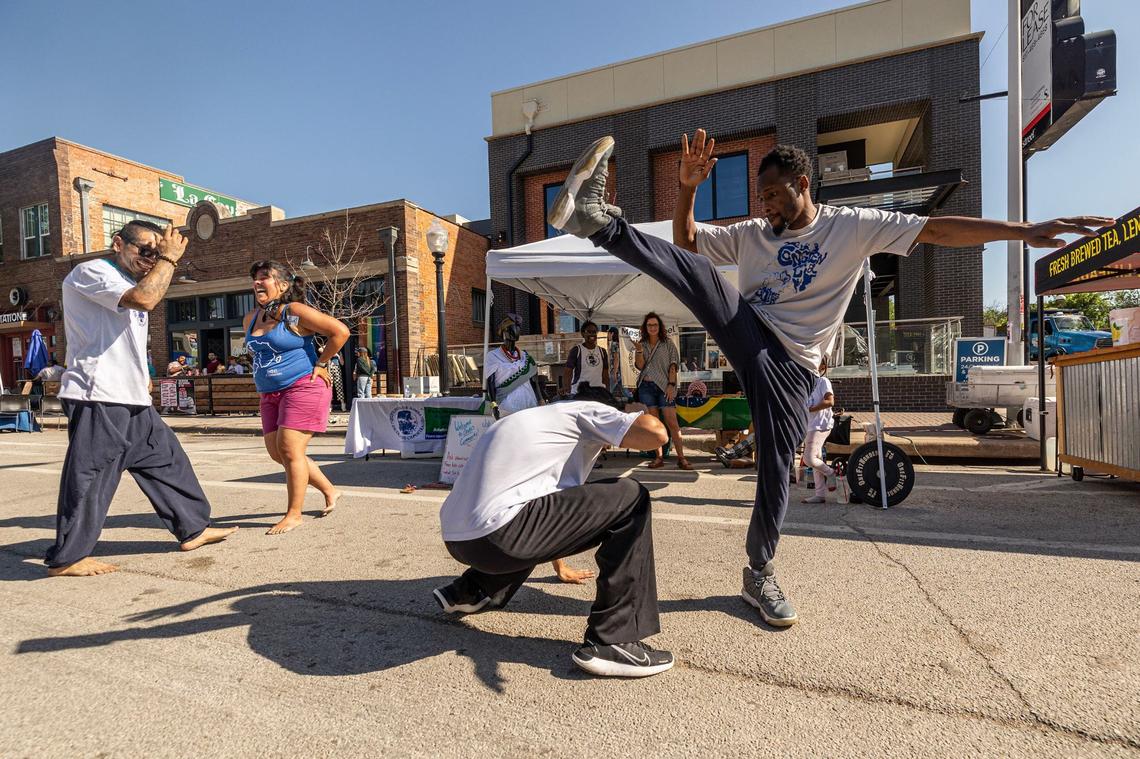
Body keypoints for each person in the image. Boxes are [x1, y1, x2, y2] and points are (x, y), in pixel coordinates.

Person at [548, 132, 1111, 626]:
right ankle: (598, 222)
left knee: (775, 465)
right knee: (698, 274)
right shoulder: (751, 233)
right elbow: (688, 242)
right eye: (761, 198)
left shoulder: (852, 227)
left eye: (773, 196)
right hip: (750, 333)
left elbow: (937, 229)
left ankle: (759, 572)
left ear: (801, 184)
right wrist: (688, 188)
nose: (765, 208)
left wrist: (1025, 229)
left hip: (795, 369)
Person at [47, 221, 237, 577]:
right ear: (118, 243)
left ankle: (193, 528)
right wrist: (169, 258)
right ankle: (68, 557)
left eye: (156, 251)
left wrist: (144, 378)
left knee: (167, 460)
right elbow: (146, 299)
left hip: (130, 395)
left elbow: (128, 339)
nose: (151, 258)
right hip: (98, 393)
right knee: (92, 475)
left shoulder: (135, 280)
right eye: (144, 250)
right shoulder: (90, 272)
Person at [434, 401, 674, 678]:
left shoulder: (531, 422)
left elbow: (548, 516)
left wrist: (560, 567)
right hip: (500, 537)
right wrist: (634, 414)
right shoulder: (584, 410)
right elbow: (656, 434)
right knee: (631, 497)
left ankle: (471, 590)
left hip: (461, 541)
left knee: (518, 514)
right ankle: (615, 640)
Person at [244, 260, 349, 535]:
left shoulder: (294, 311)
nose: (257, 282)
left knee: (290, 449)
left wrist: (322, 363)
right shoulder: (252, 318)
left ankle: (294, 514)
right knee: (279, 453)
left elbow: (340, 332)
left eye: (264, 277)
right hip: (269, 394)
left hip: (303, 386)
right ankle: (330, 490)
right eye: (255, 278)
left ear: (283, 284)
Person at [634, 312, 692, 470]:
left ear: (660, 327)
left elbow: (673, 365)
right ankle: (659, 457)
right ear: (645, 327)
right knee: (654, 424)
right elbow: (639, 366)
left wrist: (672, 384)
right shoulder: (642, 344)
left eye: (655, 325)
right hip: (646, 387)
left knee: (672, 422)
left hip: (665, 387)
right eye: (649, 325)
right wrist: (639, 350)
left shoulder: (667, 344)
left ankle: (681, 458)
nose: (652, 327)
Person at [483, 315, 541, 418]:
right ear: (504, 332)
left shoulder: (524, 356)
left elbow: (534, 381)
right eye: (512, 328)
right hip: (507, 405)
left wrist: (540, 399)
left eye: (517, 328)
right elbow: (490, 383)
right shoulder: (493, 356)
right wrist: (494, 405)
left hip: (529, 402)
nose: (516, 331)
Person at [801, 359, 837, 504]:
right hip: (810, 425)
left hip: (821, 425)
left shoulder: (823, 381)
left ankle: (831, 473)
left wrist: (810, 409)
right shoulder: (806, 383)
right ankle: (820, 494)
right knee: (816, 460)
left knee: (809, 458)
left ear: (823, 366)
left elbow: (830, 401)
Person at [562, 319, 610, 402]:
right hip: (580, 393)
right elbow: (568, 371)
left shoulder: (602, 351)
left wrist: (607, 391)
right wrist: (567, 388)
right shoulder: (577, 350)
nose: (592, 334)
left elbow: (605, 373)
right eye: (589, 331)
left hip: (598, 392)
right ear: (583, 333)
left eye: (594, 332)